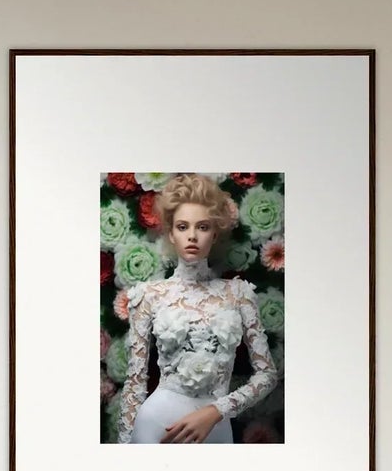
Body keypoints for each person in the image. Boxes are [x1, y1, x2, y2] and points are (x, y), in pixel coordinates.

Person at [116, 174, 281, 444]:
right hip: (155, 425)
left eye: (202, 227)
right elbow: (134, 385)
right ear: (170, 232)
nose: (192, 236)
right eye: (182, 227)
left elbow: (267, 375)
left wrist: (216, 411)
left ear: (215, 233)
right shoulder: (149, 295)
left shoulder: (239, 294)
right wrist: (124, 454)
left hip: (215, 427)